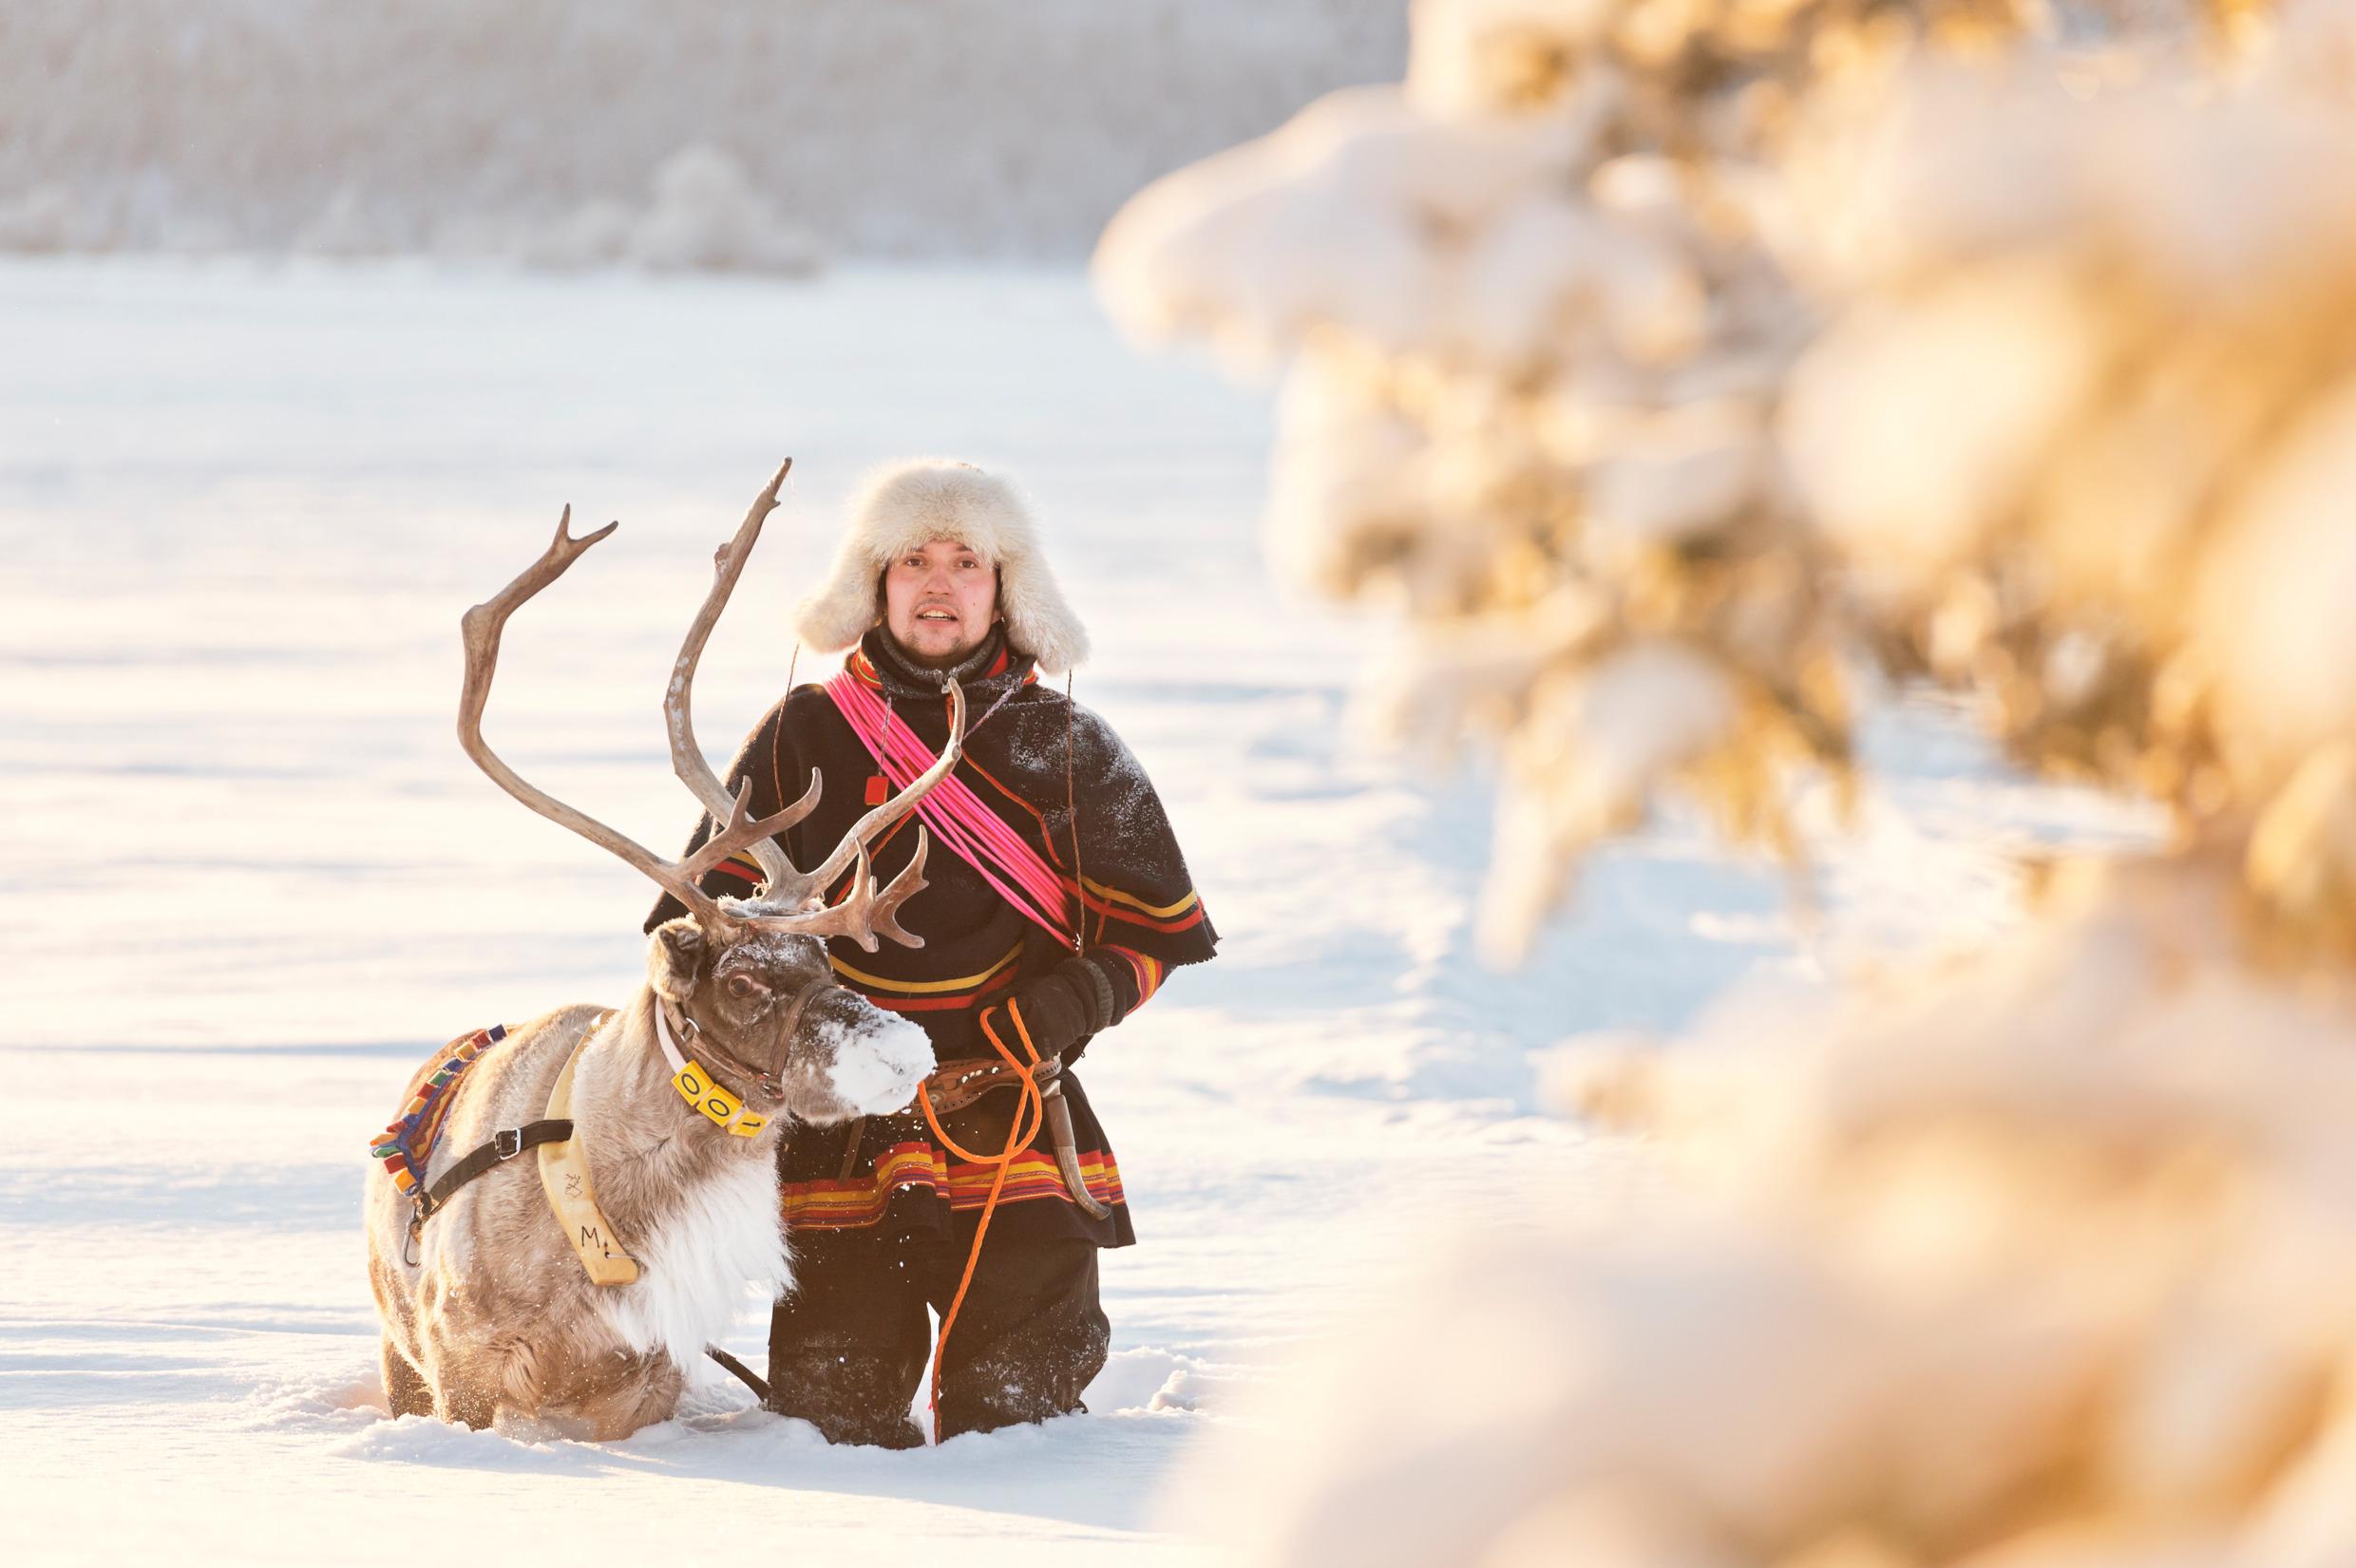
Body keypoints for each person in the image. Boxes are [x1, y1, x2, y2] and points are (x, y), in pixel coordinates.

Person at [646, 457, 1218, 1445]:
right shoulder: (802, 732)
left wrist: (1076, 997)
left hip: (1008, 1121)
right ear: (873, 582)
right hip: (834, 1134)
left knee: (1025, 1427)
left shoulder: (1071, 746)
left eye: (968, 561)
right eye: (913, 559)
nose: (941, 583)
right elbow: (695, 933)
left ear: (1006, 587)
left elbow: (1157, 933)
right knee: (829, 1425)